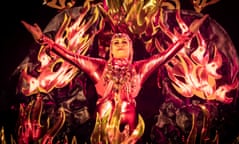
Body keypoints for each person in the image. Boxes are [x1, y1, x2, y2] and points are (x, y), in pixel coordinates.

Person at [21, 14, 207, 143]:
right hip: (102, 119)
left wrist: (188, 34)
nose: (119, 45)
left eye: (123, 42)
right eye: (115, 43)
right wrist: (44, 40)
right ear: (110, 49)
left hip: (131, 121)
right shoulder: (98, 66)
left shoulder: (139, 68)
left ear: (130, 48)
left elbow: (166, 55)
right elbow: (69, 55)